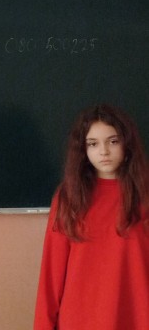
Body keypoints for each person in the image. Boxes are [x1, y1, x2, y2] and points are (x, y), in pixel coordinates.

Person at [33, 104, 149, 330]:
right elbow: (51, 274)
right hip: (81, 320)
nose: (104, 151)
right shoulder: (69, 197)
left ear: (127, 143)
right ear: (83, 150)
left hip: (137, 317)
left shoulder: (144, 195)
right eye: (93, 144)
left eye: (113, 141)